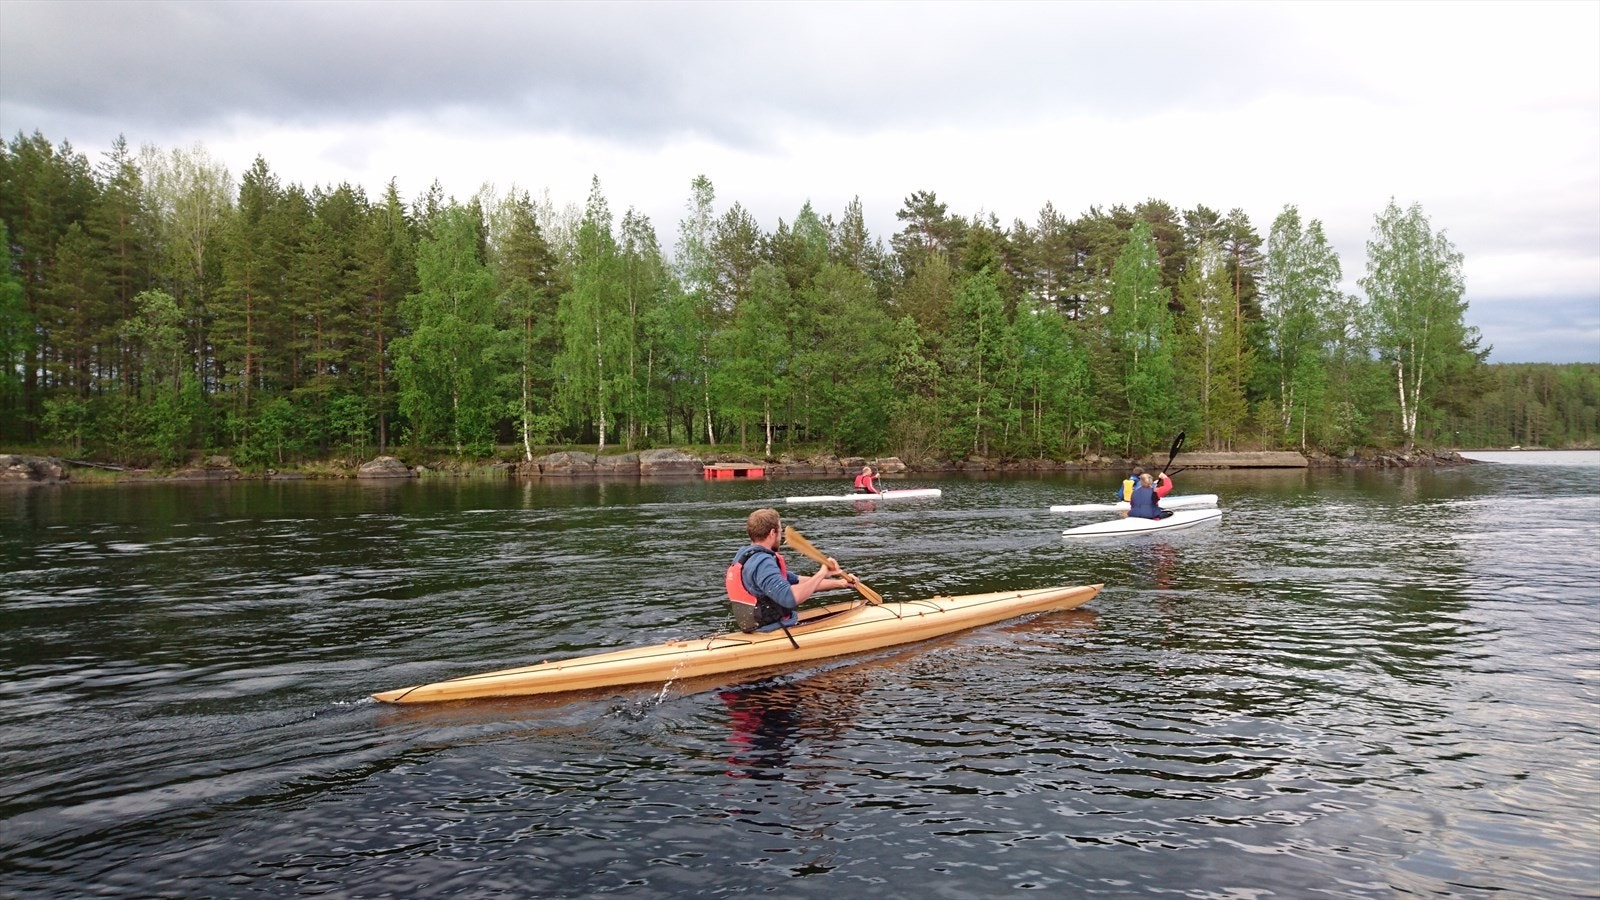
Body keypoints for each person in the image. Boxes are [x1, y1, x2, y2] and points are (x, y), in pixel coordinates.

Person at [726, 509, 852, 633]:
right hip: (774, 630)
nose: (781, 536)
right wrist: (821, 573)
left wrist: (840, 583)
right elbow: (790, 597)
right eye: (780, 532)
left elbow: (796, 581)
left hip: (760, 628)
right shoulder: (763, 563)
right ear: (772, 533)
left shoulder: (747, 557)